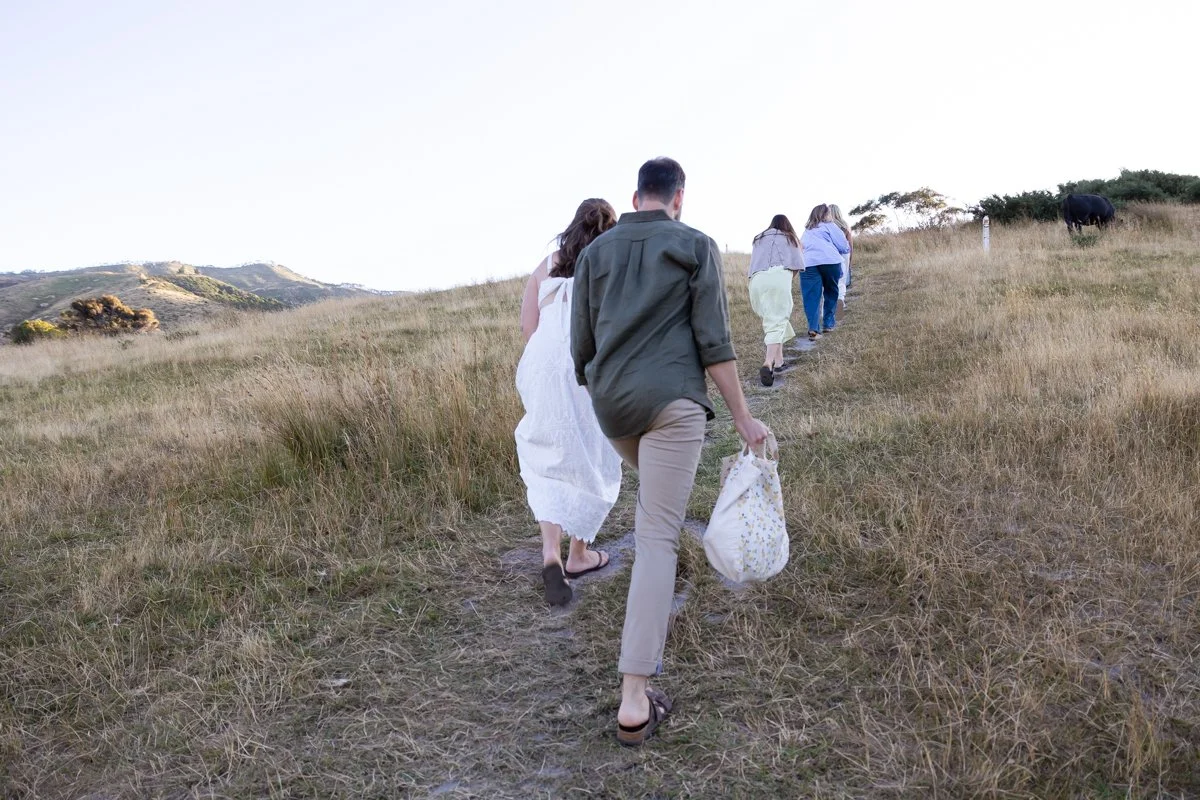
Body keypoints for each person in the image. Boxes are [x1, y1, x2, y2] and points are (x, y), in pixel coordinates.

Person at [571, 157, 770, 747]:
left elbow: (581, 346)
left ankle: (660, 596)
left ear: (636, 198)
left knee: (655, 514)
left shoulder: (594, 253)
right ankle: (634, 698)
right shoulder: (694, 245)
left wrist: (603, 388)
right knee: (656, 534)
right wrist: (743, 417)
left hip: (613, 407)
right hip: (672, 401)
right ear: (678, 197)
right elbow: (715, 343)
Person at [516, 199, 623, 607]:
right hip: (583, 360)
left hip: (541, 363)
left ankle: (550, 556)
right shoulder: (608, 263)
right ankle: (578, 555)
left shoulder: (546, 265)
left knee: (548, 456)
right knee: (593, 453)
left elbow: (528, 327)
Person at [747, 214, 804, 386]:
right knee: (777, 320)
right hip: (778, 276)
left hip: (756, 281)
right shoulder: (790, 238)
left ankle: (779, 362)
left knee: (774, 320)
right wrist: (785, 280)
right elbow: (798, 264)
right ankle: (768, 363)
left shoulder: (758, 238)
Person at [799, 204, 851, 339]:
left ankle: (813, 329)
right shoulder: (830, 225)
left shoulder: (807, 230)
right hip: (830, 261)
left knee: (811, 296)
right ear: (826, 214)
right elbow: (844, 246)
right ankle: (828, 324)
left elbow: (801, 247)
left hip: (808, 263)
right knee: (831, 291)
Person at [828, 204, 854, 310]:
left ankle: (831, 303)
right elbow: (850, 244)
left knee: (830, 280)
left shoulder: (826, 226)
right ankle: (841, 300)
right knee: (842, 280)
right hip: (844, 254)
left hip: (830, 254)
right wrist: (850, 259)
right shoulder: (845, 226)